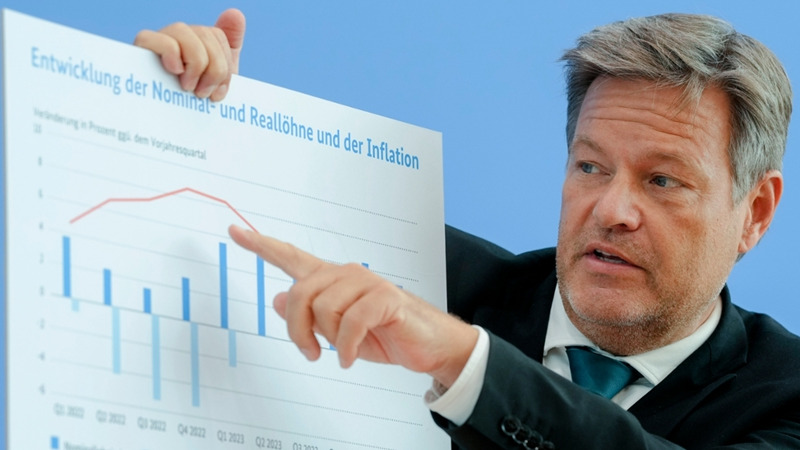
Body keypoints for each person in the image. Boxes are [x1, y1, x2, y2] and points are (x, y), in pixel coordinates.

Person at [136, 10, 800, 449]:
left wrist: (465, 363)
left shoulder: (787, 395)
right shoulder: (425, 275)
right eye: (591, 167)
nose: (611, 210)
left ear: (756, 213)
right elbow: (215, 222)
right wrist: (169, 108)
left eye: (662, 181)